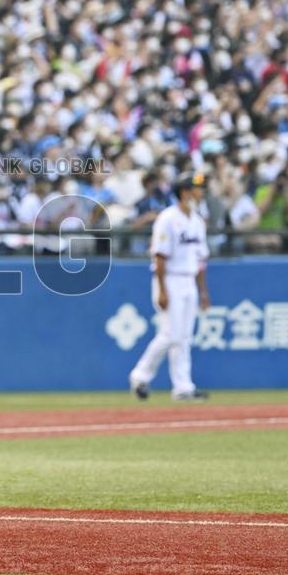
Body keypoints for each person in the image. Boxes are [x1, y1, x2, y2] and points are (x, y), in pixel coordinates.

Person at [129, 172, 211, 402]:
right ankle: (140, 375)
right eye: (196, 188)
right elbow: (160, 256)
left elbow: (201, 260)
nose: (201, 192)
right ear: (184, 192)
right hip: (170, 279)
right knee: (170, 334)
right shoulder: (167, 218)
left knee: (184, 336)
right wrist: (162, 289)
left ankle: (183, 387)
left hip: (189, 279)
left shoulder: (196, 220)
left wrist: (203, 292)